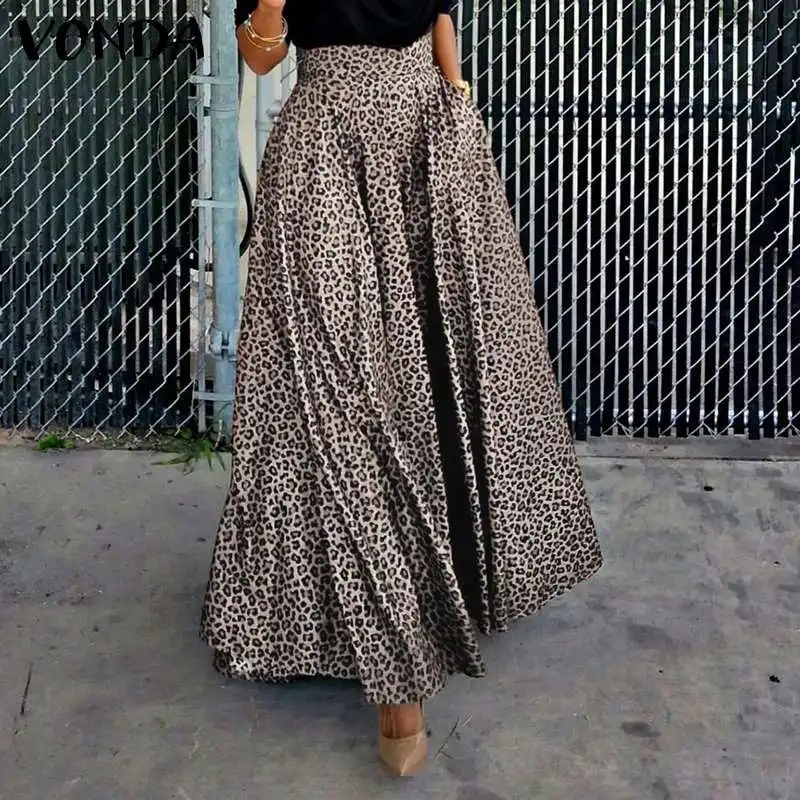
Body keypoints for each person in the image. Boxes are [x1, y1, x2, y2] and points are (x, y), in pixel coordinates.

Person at [200, 0, 603, 777]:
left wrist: (456, 95)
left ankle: (453, 580)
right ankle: (399, 673)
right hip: (323, 145)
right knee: (339, 383)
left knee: (441, 366)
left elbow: (440, 11)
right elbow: (260, 57)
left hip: (424, 137)